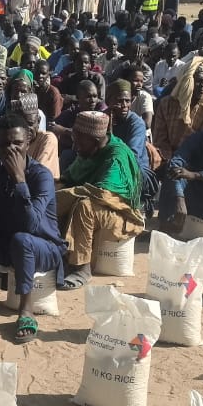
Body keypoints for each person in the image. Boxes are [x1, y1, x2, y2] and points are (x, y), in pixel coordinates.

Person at [0, 112, 66, 343]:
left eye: (17, 144)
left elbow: (31, 224)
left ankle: (26, 311)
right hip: (9, 242)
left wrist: (20, 180)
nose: (11, 150)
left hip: (45, 247)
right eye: (4, 145)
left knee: (22, 240)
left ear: (28, 142)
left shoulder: (41, 176)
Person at [55, 111, 143, 290]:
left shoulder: (115, 156)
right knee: (54, 195)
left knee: (83, 205)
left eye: (79, 142)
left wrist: (63, 195)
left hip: (123, 215)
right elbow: (69, 178)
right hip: (99, 207)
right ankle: (57, 256)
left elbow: (104, 194)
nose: (75, 146)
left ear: (94, 140)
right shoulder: (89, 151)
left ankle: (81, 268)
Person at [152, 56, 203, 162]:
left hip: (194, 161)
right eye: (199, 81)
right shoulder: (167, 104)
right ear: (186, 82)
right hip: (166, 157)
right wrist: (169, 159)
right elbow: (160, 139)